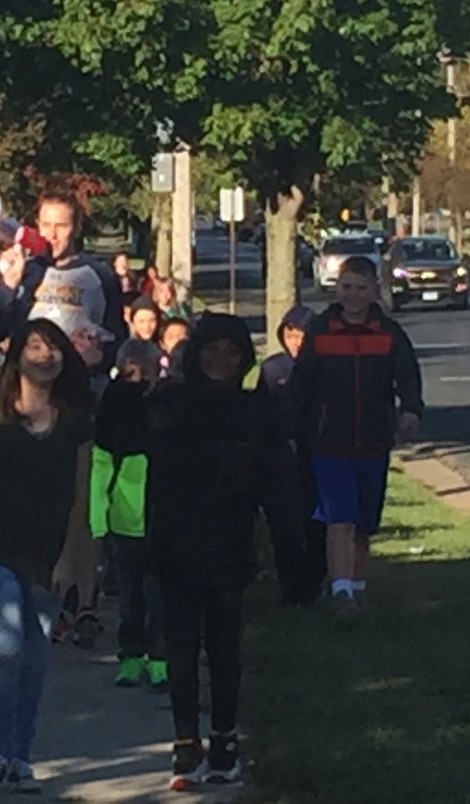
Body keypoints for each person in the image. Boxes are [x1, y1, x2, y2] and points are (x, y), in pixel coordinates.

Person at [140, 314, 305, 790]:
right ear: (195, 354)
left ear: (244, 359)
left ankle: (224, 739)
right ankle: (185, 742)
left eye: (231, 352)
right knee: (181, 646)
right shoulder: (169, 404)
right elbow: (124, 440)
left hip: (230, 541)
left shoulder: (258, 412)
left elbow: (278, 484)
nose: (219, 360)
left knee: (225, 644)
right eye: (210, 349)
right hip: (174, 541)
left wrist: (288, 546)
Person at [0, 319, 94, 795]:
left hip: (51, 551)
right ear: (18, 357)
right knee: (6, 647)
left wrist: (71, 559)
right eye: (35, 347)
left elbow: (81, 495)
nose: (45, 355)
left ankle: (21, 755)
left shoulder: (73, 419)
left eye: (53, 347)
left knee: (35, 655)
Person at [289, 257, 423, 622]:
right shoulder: (321, 330)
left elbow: (408, 378)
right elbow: (302, 384)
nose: (353, 296)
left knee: (364, 520)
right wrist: (295, 427)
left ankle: (356, 584)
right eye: (347, 287)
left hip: (374, 441)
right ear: (337, 288)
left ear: (374, 292)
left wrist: (410, 411)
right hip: (328, 442)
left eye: (361, 288)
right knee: (339, 517)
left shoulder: (389, 333)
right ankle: (341, 591)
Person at [0, 188, 127, 378]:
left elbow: (118, 337)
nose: (52, 235)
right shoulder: (25, 271)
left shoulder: (99, 275)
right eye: (46, 225)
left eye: (61, 226)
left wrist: (99, 357)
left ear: (76, 228)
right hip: (28, 384)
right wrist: (8, 284)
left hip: (77, 384)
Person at [90, 339, 167, 690]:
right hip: (126, 510)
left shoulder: (166, 398)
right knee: (131, 595)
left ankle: (160, 658)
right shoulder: (115, 402)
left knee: (160, 593)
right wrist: (97, 516)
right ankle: (132, 656)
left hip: (162, 510)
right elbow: (101, 459)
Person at [259, 305, 327, 598]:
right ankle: (290, 588)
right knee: (284, 525)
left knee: (317, 523)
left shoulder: (325, 369)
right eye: (290, 335)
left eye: (302, 335)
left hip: (319, 455)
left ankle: (314, 581)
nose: (296, 342)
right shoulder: (273, 369)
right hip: (280, 458)